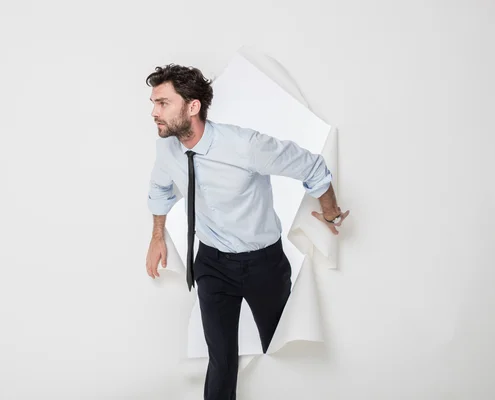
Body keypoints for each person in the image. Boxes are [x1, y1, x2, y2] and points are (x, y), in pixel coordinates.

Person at [144, 64, 349, 400]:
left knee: (282, 350)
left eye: (163, 103)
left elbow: (311, 165)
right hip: (211, 263)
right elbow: (160, 190)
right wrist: (156, 238)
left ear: (192, 107)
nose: (154, 112)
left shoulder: (244, 146)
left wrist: (329, 210)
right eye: (154, 103)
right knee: (221, 360)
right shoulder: (166, 149)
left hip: (263, 265)